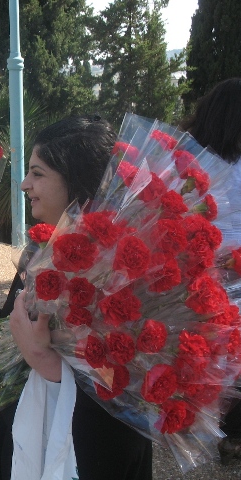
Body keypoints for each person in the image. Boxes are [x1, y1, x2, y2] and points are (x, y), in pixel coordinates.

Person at [0, 116, 153, 480]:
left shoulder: (120, 277)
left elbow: (117, 389)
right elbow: (12, 332)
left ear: (76, 181)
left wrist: (45, 365)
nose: (23, 184)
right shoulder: (42, 254)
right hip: (22, 428)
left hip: (80, 449)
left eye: (38, 173)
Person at [180, 77, 241, 465]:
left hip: (197, 271)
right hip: (235, 272)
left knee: (205, 348)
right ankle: (233, 435)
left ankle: (207, 419)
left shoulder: (190, 161)